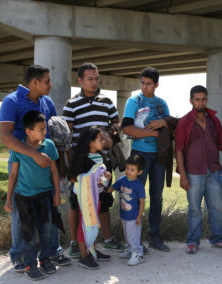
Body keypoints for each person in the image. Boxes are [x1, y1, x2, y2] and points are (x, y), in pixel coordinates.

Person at [0, 65, 70, 271]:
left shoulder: (47, 101)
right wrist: (34, 154)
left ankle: (52, 252)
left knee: (50, 208)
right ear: (34, 83)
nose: (51, 85)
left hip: (46, 165)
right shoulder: (11, 101)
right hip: (22, 165)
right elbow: (5, 137)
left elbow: (54, 131)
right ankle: (19, 255)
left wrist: (57, 161)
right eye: (47, 81)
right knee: (20, 213)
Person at [62, 62, 124, 258]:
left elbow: (117, 124)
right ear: (80, 81)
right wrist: (69, 163)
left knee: (103, 200)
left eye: (97, 78)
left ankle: (107, 240)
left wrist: (112, 132)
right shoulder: (71, 104)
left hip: (102, 160)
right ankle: (74, 243)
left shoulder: (106, 102)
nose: (94, 82)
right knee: (76, 202)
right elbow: (65, 133)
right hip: (80, 162)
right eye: (90, 78)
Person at [175, 85, 222, 254]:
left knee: (217, 207)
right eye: (197, 99)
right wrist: (182, 176)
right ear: (191, 101)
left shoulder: (214, 121)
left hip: (215, 170)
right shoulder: (184, 122)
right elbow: (178, 149)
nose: (200, 102)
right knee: (195, 208)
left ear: (207, 100)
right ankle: (193, 241)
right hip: (194, 173)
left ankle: (218, 239)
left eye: (203, 99)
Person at [4, 111, 61, 280]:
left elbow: (54, 171)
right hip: (24, 199)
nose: (45, 132)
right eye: (41, 129)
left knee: (46, 233)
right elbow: (13, 174)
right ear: (28, 131)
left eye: (45, 129)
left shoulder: (49, 146)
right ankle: (30, 264)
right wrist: (9, 199)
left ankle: (45, 260)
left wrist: (57, 193)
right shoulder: (18, 148)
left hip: (45, 197)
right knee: (28, 235)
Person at [122, 66, 170, 252]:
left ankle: (155, 238)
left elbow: (170, 128)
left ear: (156, 84)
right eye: (142, 83)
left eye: (149, 84)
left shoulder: (162, 103)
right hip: (139, 155)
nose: (144, 87)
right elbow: (126, 128)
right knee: (134, 196)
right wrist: (154, 134)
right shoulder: (134, 101)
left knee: (156, 197)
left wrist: (164, 123)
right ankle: (134, 241)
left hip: (159, 156)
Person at [68, 126, 112, 269]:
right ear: (90, 142)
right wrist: (93, 177)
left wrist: (105, 177)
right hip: (85, 199)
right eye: (100, 139)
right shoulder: (82, 159)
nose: (104, 141)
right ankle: (83, 256)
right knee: (85, 224)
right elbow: (73, 178)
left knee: (93, 223)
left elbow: (100, 178)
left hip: (96, 197)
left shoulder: (100, 156)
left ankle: (91, 250)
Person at [107, 155, 146, 265]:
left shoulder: (139, 185)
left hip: (134, 216)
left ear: (139, 172)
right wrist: (104, 180)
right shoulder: (122, 180)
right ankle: (129, 250)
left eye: (132, 170)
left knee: (133, 236)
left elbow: (142, 201)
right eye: (127, 168)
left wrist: (139, 216)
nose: (128, 171)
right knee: (127, 235)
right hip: (124, 214)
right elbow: (110, 189)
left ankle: (138, 254)